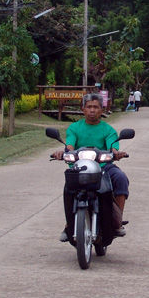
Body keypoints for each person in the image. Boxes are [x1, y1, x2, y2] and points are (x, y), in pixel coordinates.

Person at [52, 92, 130, 241]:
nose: (92, 110)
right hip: (79, 168)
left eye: (96, 107)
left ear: (102, 110)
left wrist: (116, 153)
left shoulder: (108, 130)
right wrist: (63, 152)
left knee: (120, 177)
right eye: (89, 107)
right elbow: (69, 145)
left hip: (103, 168)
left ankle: (117, 221)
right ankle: (69, 223)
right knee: (68, 188)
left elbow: (112, 147)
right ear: (83, 109)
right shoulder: (74, 128)